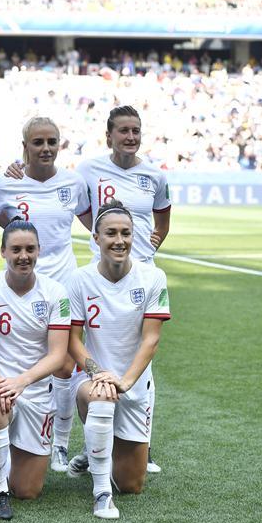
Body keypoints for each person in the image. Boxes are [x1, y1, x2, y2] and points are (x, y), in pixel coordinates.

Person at [0, 116, 91, 474]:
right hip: (19, 286)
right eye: (38, 142)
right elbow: (2, 221)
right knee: (12, 357)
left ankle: (60, 443)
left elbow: (94, 223)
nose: (45, 148)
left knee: (63, 363)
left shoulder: (74, 184)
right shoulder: (7, 184)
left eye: (52, 141)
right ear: (25, 146)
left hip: (63, 283)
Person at [75, 105, 171, 474]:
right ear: (109, 135)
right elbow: (84, 210)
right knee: (91, 354)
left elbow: (163, 215)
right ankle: (94, 442)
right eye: (123, 131)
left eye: (136, 130)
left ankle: (140, 446)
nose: (130, 137)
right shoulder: (89, 169)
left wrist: (153, 244)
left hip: (141, 273)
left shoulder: (154, 175)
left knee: (142, 358)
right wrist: (100, 237)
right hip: (102, 275)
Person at [65, 200, 170, 519]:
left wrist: (125, 382)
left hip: (135, 386)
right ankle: (101, 494)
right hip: (92, 381)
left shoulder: (153, 278)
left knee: (133, 484)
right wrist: (98, 374)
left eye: (126, 232)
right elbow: (72, 341)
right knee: (99, 396)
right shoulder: (79, 280)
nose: (119, 240)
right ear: (96, 239)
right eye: (111, 233)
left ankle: (97, 448)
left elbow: (151, 338)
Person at [0, 219, 70, 520]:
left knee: (28, 490)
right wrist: (1, 384)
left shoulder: (55, 292)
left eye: (29, 249)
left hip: (35, 391)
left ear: (39, 251)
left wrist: (22, 382)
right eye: (16, 249)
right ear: (2, 252)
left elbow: (58, 354)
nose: (23, 256)